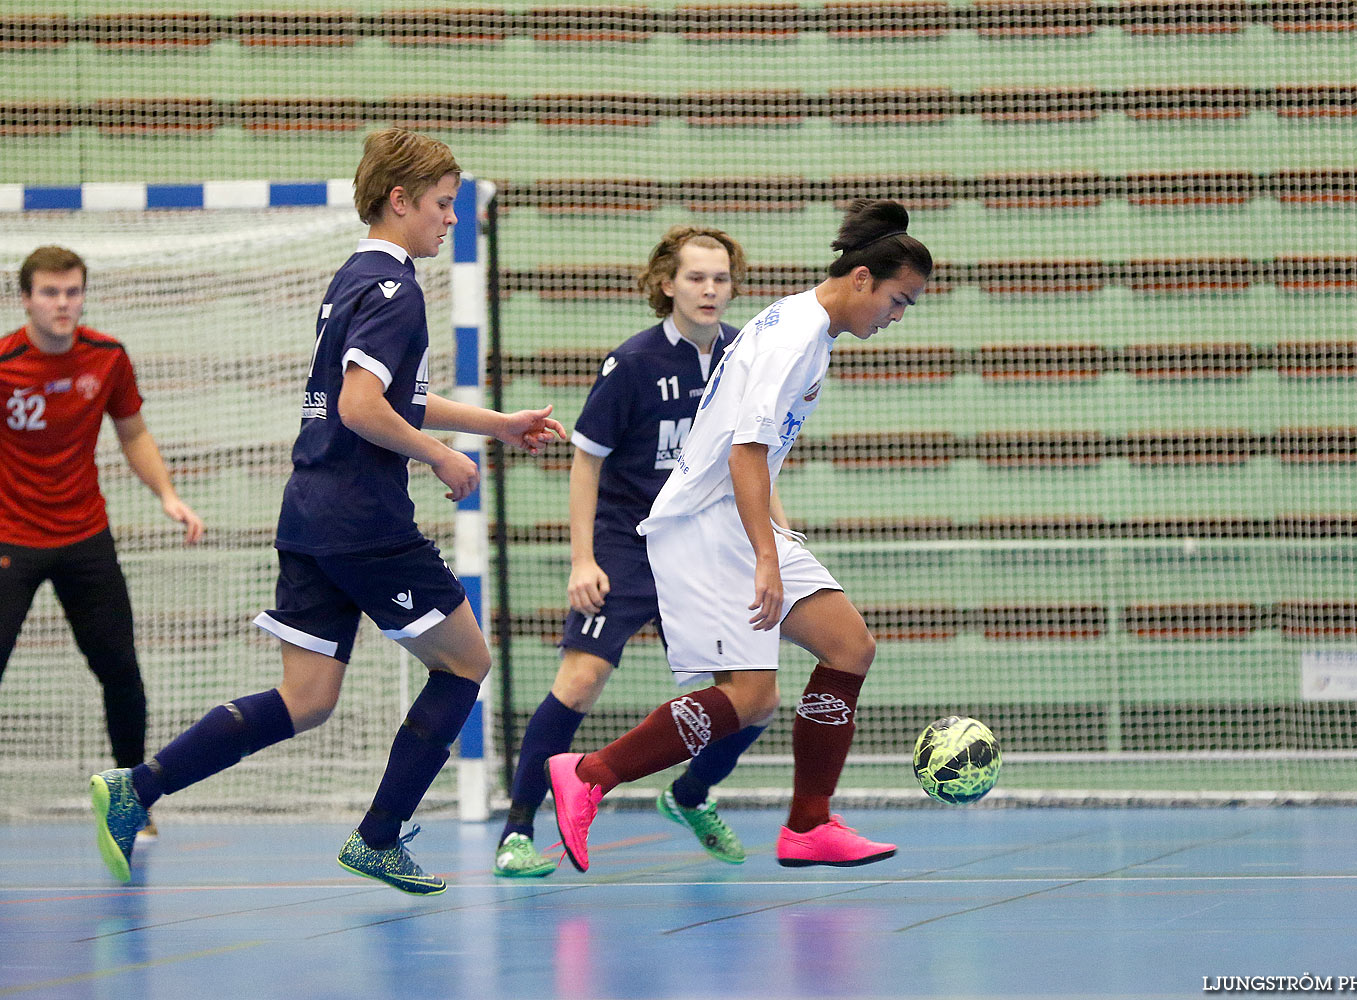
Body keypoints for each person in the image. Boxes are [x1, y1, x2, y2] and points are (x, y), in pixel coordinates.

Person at [88, 127, 566, 895]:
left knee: (306, 698)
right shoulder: (399, 290)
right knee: (468, 663)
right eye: (442, 205)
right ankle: (379, 837)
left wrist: (496, 424)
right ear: (399, 200)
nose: (452, 218)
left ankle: (136, 789)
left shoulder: (354, 276)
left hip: (309, 512)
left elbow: (390, 396)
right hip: (364, 521)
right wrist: (437, 456)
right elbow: (359, 406)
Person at [546, 199, 931, 872]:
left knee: (849, 648)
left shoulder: (807, 325)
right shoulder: (793, 338)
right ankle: (589, 775)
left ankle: (809, 823)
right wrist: (766, 557)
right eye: (898, 301)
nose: (896, 317)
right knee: (751, 697)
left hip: (735, 518)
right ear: (863, 279)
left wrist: (778, 537)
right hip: (705, 524)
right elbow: (744, 455)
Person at [494, 226, 782, 877]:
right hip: (628, 543)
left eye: (721, 279)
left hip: (707, 548)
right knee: (581, 679)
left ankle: (689, 795)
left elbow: (753, 459)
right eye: (696, 278)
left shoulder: (745, 356)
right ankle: (516, 834)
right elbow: (584, 461)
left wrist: (777, 539)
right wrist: (581, 559)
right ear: (666, 284)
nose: (710, 290)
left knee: (757, 698)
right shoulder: (633, 364)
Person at [2, 246, 204, 837]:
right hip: (12, 537)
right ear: (26, 299)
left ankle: (129, 800)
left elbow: (133, 433)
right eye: (49, 293)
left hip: (85, 535)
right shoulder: (7, 361)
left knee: (120, 669)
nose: (62, 304)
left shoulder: (108, 358)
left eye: (72, 292)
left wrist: (167, 494)